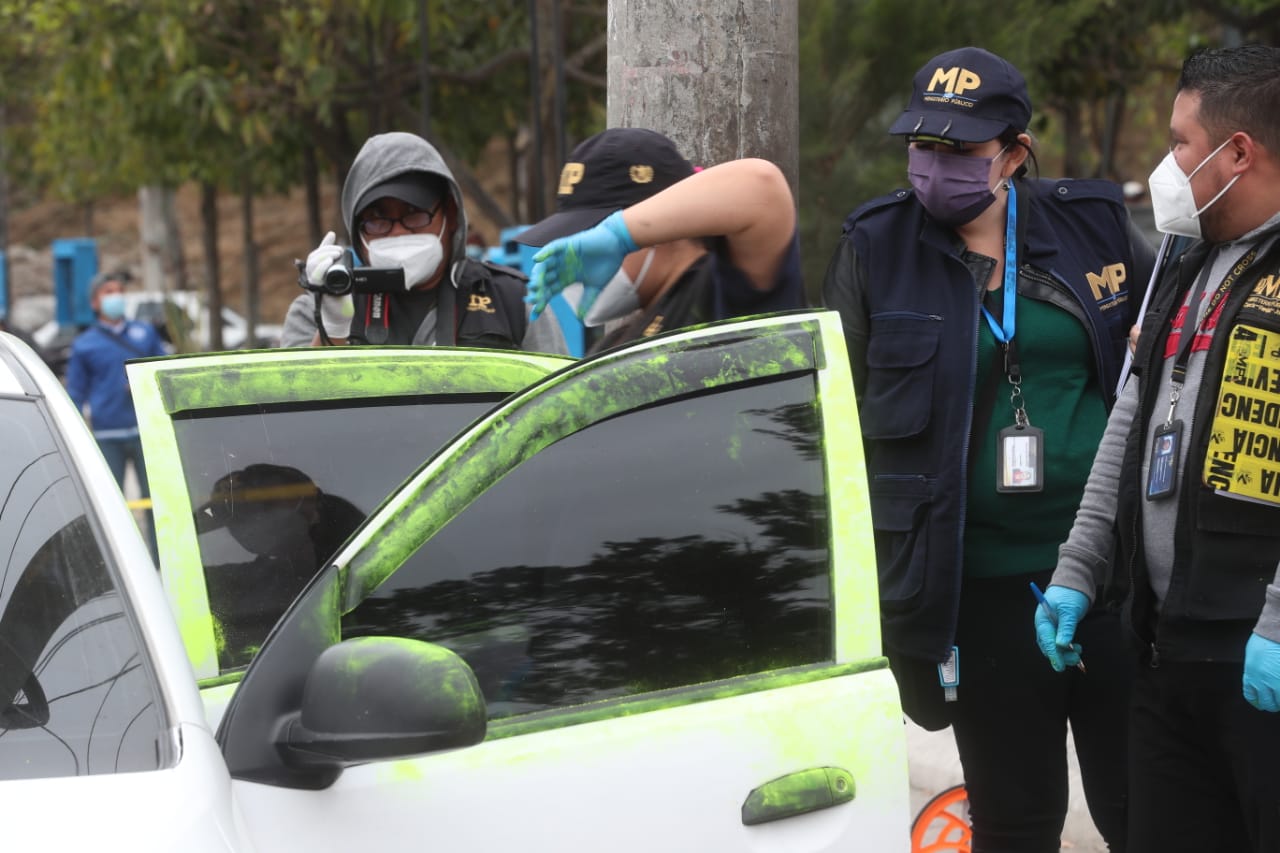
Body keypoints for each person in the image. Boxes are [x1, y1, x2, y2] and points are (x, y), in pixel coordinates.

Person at [822, 46, 1153, 852]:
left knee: (1147, 811)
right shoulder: (875, 247)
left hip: (1107, 586)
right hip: (974, 595)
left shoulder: (1095, 226)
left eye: (960, 150)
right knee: (1014, 821)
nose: (935, 168)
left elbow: (1167, 353)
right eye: (921, 147)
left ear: (1014, 151)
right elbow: (837, 427)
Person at [1036, 45, 1280, 853]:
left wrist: (1279, 624)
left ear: (1237, 151)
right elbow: (1132, 420)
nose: (1167, 164)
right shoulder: (1184, 257)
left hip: (1262, 659)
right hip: (1164, 649)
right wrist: (1078, 567)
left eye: (1180, 142)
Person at [515, 127, 804, 354]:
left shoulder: (724, 292)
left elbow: (762, 188)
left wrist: (620, 234)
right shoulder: (616, 341)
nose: (577, 257)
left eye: (586, 235)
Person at [282, 131, 569, 354]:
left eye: (415, 215)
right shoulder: (313, 313)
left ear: (452, 215)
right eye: (378, 220)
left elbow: (559, 410)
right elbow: (288, 416)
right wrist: (333, 328)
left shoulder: (514, 303)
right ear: (357, 230)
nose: (397, 234)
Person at [65, 271, 169, 557]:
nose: (116, 297)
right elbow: (76, 392)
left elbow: (163, 372)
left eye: (119, 290)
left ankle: (163, 559)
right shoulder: (84, 344)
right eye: (108, 292)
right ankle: (123, 559)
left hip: (145, 432)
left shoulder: (144, 333)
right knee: (112, 503)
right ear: (95, 302)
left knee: (157, 501)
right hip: (106, 434)